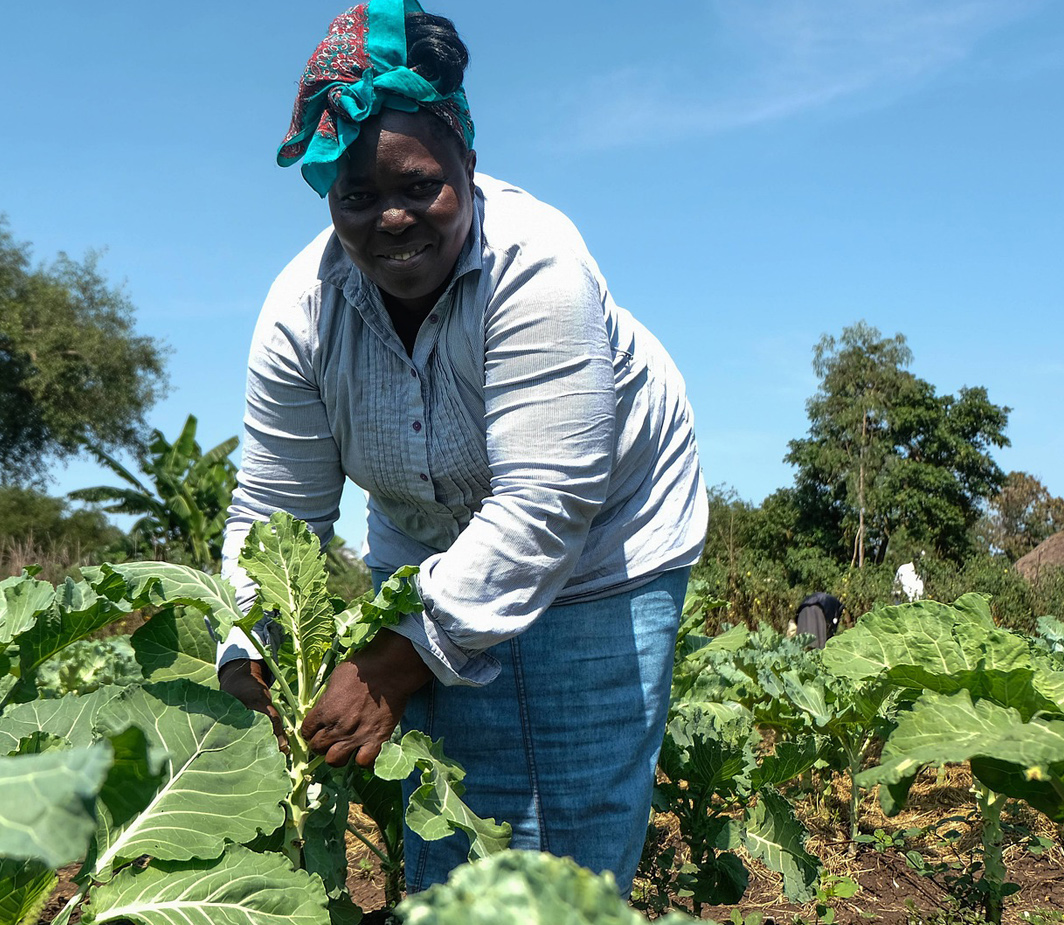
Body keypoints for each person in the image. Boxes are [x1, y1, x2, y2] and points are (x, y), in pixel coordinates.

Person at [216, 0, 708, 897]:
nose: (390, 219)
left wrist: (392, 661)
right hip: (431, 544)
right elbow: (275, 511)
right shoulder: (302, 312)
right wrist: (254, 642)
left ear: (468, 164)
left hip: (605, 538)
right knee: (462, 822)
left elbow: (543, 506)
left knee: (568, 829)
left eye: (419, 186)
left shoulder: (538, 264)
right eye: (358, 197)